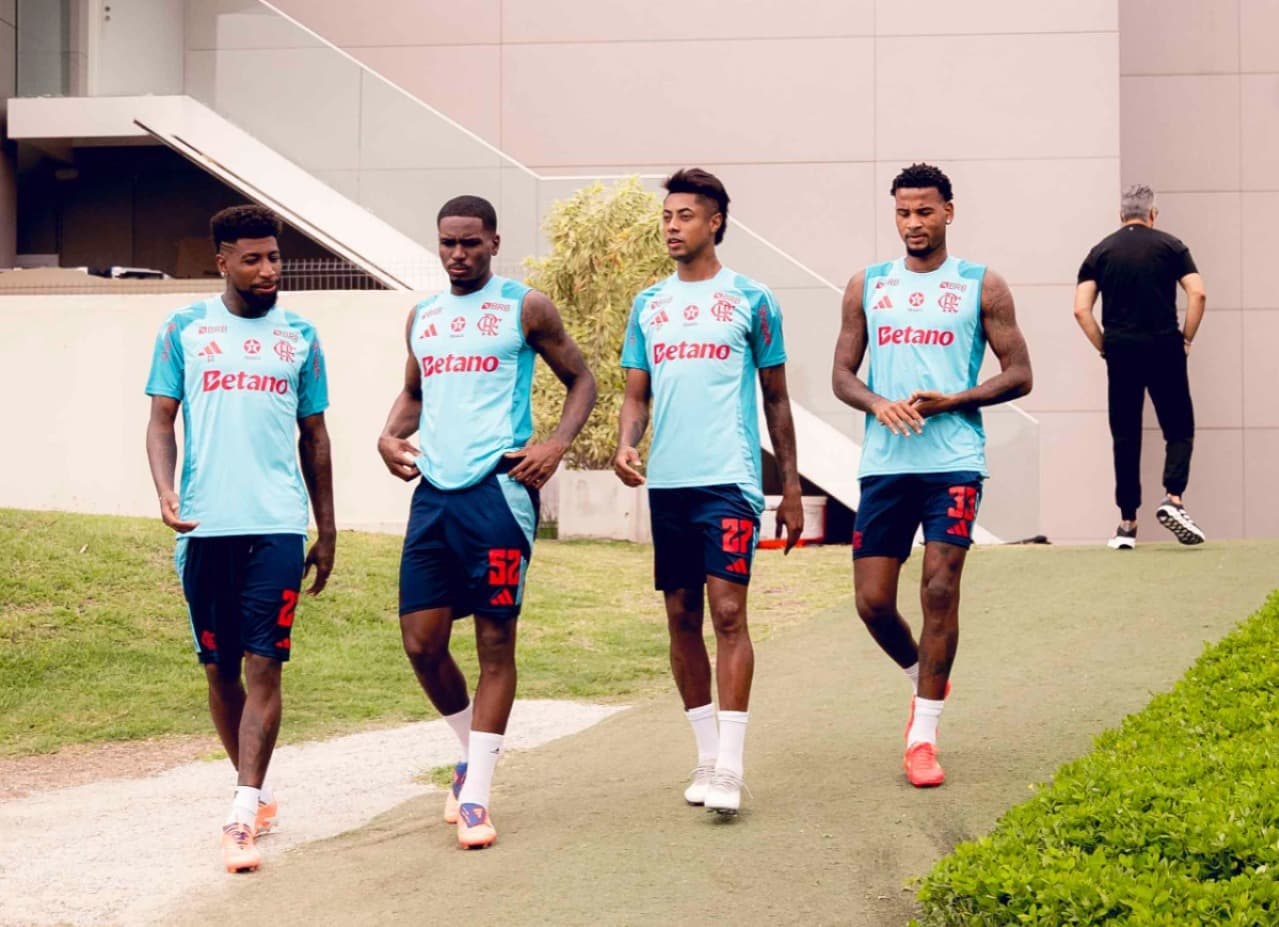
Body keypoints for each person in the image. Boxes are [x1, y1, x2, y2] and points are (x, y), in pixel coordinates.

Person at [377, 195, 596, 850]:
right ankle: (470, 748)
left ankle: (475, 798)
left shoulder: (524, 306)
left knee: (496, 644)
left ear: (494, 242)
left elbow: (581, 379)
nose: (457, 254)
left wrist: (554, 444)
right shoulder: (424, 316)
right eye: (447, 242)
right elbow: (415, 392)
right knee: (421, 641)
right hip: (433, 496)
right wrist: (388, 435)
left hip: (498, 495)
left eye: (470, 243)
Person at [144, 204, 335, 872]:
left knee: (265, 663)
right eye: (251, 258)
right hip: (205, 527)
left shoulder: (302, 335)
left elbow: (315, 436)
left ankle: (241, 807)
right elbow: (162, 420)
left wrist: (327, 527)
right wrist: (165, 490)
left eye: (274, 257)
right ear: (220, 259)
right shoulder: (183, 329)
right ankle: (256, 787)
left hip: (278, 525)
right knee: (220, 670)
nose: (266, 270)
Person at [831, 163, 1032, 788]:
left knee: (940, 590)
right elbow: (842, 376)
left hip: (954, 463)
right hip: (885, 465)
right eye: (902, 212)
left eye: (924, 211)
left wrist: (955, 400)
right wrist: (876, 403)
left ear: (949, 211)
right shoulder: (867, 285)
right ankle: (926, 677)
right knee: (871, 604)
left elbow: (1020, 373)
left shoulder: (982, 285)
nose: (913, 223)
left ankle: (923, 736)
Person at [614, 168, 803, 816]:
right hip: (668, 482)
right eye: (667, 215)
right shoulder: (648, 304)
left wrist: (792, 490)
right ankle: (703, 754)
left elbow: (776, 398)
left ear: (715, 221)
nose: (672, 226)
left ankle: (731, 766)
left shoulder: (753, 300)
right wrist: (625, 443)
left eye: (685, 215)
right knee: (679, 617)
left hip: (730, 480)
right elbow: (634, 393)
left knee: (728, 613)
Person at [1073, 183, 1207, 549]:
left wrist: (1106, 347)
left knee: (1126, 436)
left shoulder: (1100, 252)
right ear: (1153, 214)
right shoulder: (1171, 246)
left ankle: (1127, 524)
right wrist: (1187, 338)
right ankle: (1173, 498)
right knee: (1178, 428)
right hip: (1165, 346)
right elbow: (1197, 292)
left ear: (1121, 216)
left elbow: (1081, 310)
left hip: (1121, 351)